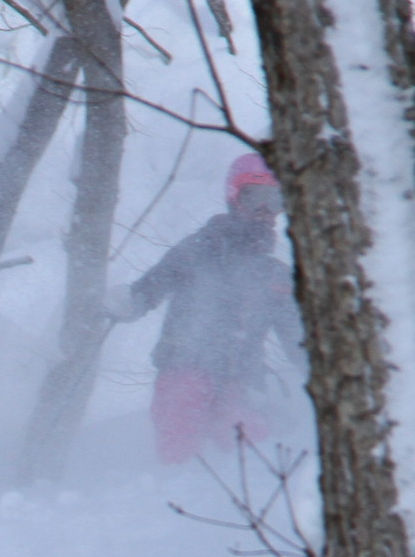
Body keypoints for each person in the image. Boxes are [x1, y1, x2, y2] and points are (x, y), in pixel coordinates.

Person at [111, 152, 303, 465]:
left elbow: (298, 343)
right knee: (184, 439)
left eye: (275, 200)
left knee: (250, 452)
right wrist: (127, 303)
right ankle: (170, 494)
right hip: (185, 370)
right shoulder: (201, 248)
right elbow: (152, 286)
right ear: (234, 198)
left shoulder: (275, 276)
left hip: (240, 382)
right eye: (255, 198)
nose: (265, 212)